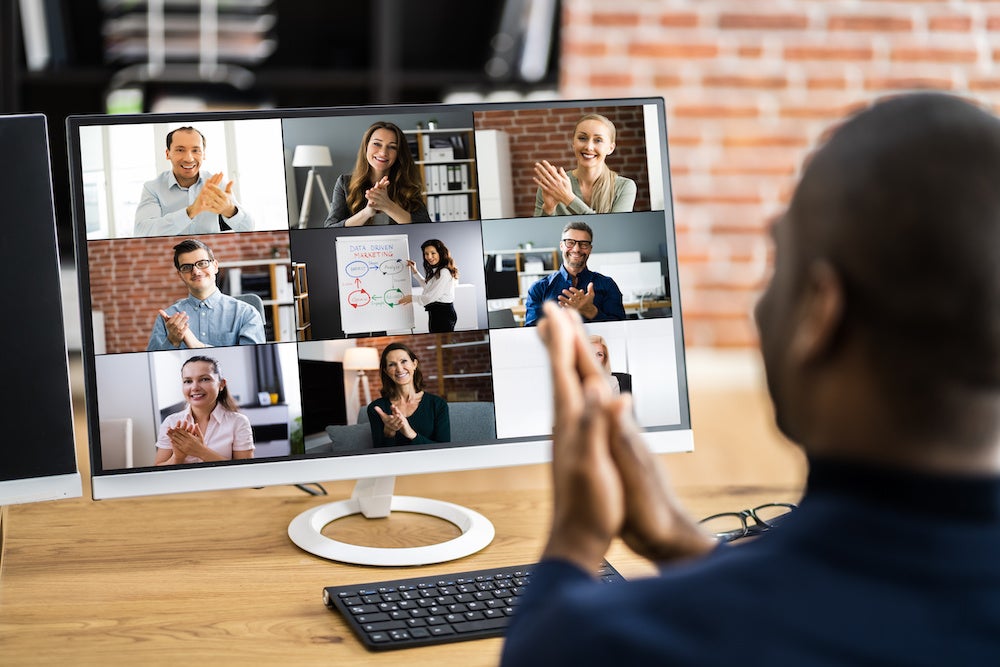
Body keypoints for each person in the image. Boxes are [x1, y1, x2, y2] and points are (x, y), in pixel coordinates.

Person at [500, 92, 1000, 665]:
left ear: (820, 312)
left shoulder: (619, 643)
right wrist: (679, 543)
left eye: (779, 261)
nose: (761, 307)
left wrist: (575, 538)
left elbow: (544, 649)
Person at [147, 238, 266, 351]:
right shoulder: (166, 319)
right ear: (180, 275)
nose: (196, 271)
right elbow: (153, 364)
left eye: (202, 263)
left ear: (215, 266)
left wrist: (196, 345)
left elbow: (251, 360)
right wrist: (171, 342)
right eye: (187, 267)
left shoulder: (247, 313)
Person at [134, 126, 254, 236]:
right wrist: (190, 212)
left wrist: (230, 210)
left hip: (208, 257)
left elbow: (249, 228)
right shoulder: (153, 188)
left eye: (196, 150)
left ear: (203, 155)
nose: (189, 158)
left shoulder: (216, 184)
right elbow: (142, 232)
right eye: (180, 150)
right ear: (168, 154)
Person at [324, 121, 430, 227]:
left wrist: (388, 205)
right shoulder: (344, 183)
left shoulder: (409, 186)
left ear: (398, 154)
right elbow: (330, 229)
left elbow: (427, 229)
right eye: (377, 144)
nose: (383, 152)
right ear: (366, 146)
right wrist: (366, 213)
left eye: (392, 147)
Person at [155, 355, 254, 465]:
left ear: (221, 384)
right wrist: (177, 457)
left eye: (204, 379)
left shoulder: (238, 422)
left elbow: (244, 470)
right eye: (188, 381)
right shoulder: (171, 422)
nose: (195, 387)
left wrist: (201, 451)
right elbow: (158, 469)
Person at [523, 221, 626, 326]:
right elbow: (531, 334)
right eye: (570, 242)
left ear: (590, 249)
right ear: (561, 246)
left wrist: (592, 312)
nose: (576, 249)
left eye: (584, 244)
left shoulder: (608, 285)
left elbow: (621, 328)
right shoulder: (539, 288)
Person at [533, 113, 637, 216]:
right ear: (573, 143)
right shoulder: (553, 185)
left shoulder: (624, 187)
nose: (589, 147)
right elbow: (537, 231)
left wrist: (568, 198)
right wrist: (548, 209)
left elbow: (613, 228)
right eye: (582, 138)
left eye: (598, 140)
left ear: (610, 148)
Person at [367, 342, 450, 447]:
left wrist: (411, 434)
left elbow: (444, 450)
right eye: (392, 364)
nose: (399, 369)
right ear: (386, 371)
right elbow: (377, 456)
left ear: (414, 364)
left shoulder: (437, 404)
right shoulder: (377, 409)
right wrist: (389, 434)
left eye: (404, 361)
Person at [398, 239, 459, 333]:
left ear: (440, 253)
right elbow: (429, 287)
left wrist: (411, 298)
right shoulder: (439, 270)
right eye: (426, 254)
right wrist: (415, 271)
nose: (429, 257)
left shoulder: (444, 272)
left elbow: (430, 297)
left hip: (443, 315)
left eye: (433, 253)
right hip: (437, 314)